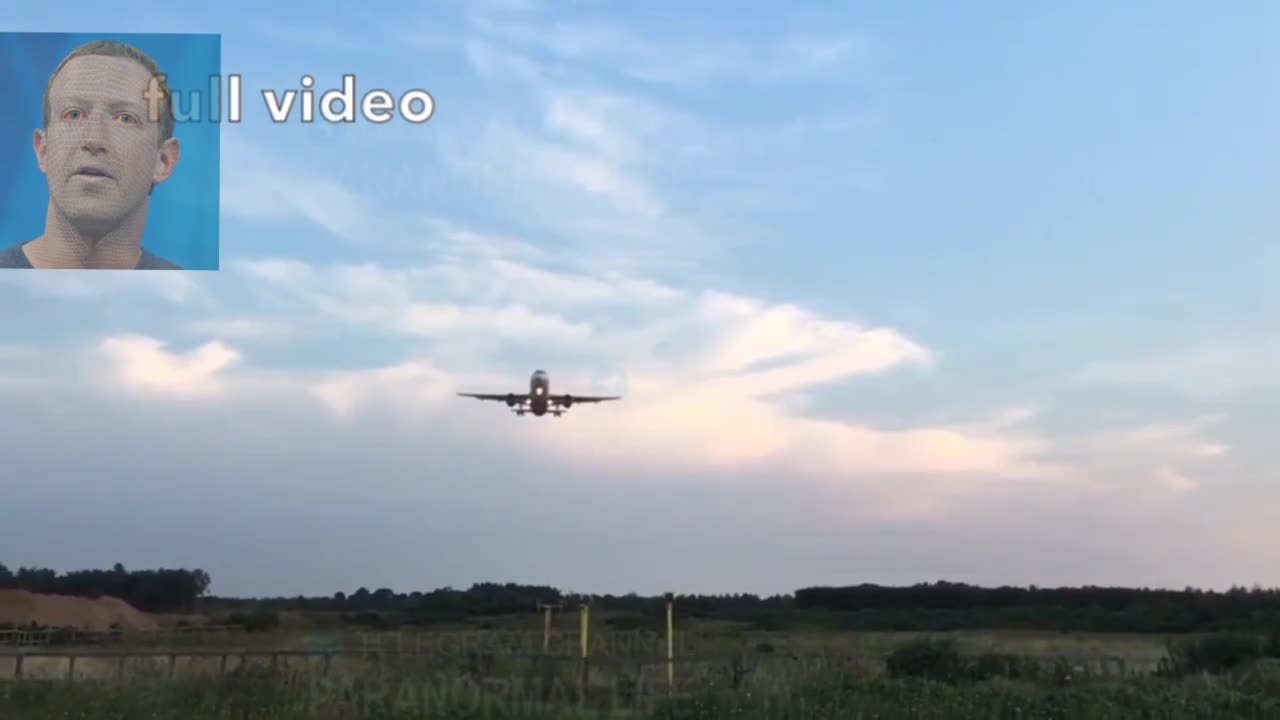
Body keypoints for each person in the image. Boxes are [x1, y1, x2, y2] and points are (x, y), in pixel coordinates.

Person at [0, 40, 182, 269]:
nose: (94, 140)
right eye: (74, 115)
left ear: (164, 160)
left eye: (125, 118)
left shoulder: (193, 299)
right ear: (43, 150)